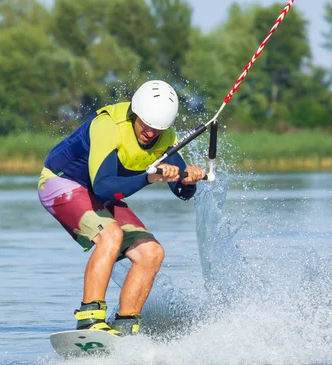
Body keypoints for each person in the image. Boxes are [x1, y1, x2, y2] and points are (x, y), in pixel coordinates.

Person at [37, 80, 206, 336]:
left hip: (97, 195)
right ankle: (90, 319)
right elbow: (104, 187)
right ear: (136, 113)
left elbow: (183, 194)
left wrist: (187, 180)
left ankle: (126, 325)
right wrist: (149, 177)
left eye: (157, 129)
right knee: (111, 234)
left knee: (151, 252)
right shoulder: (108, 126)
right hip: (61, 183)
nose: (150, 133)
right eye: (146, 125)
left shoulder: (165, 137)